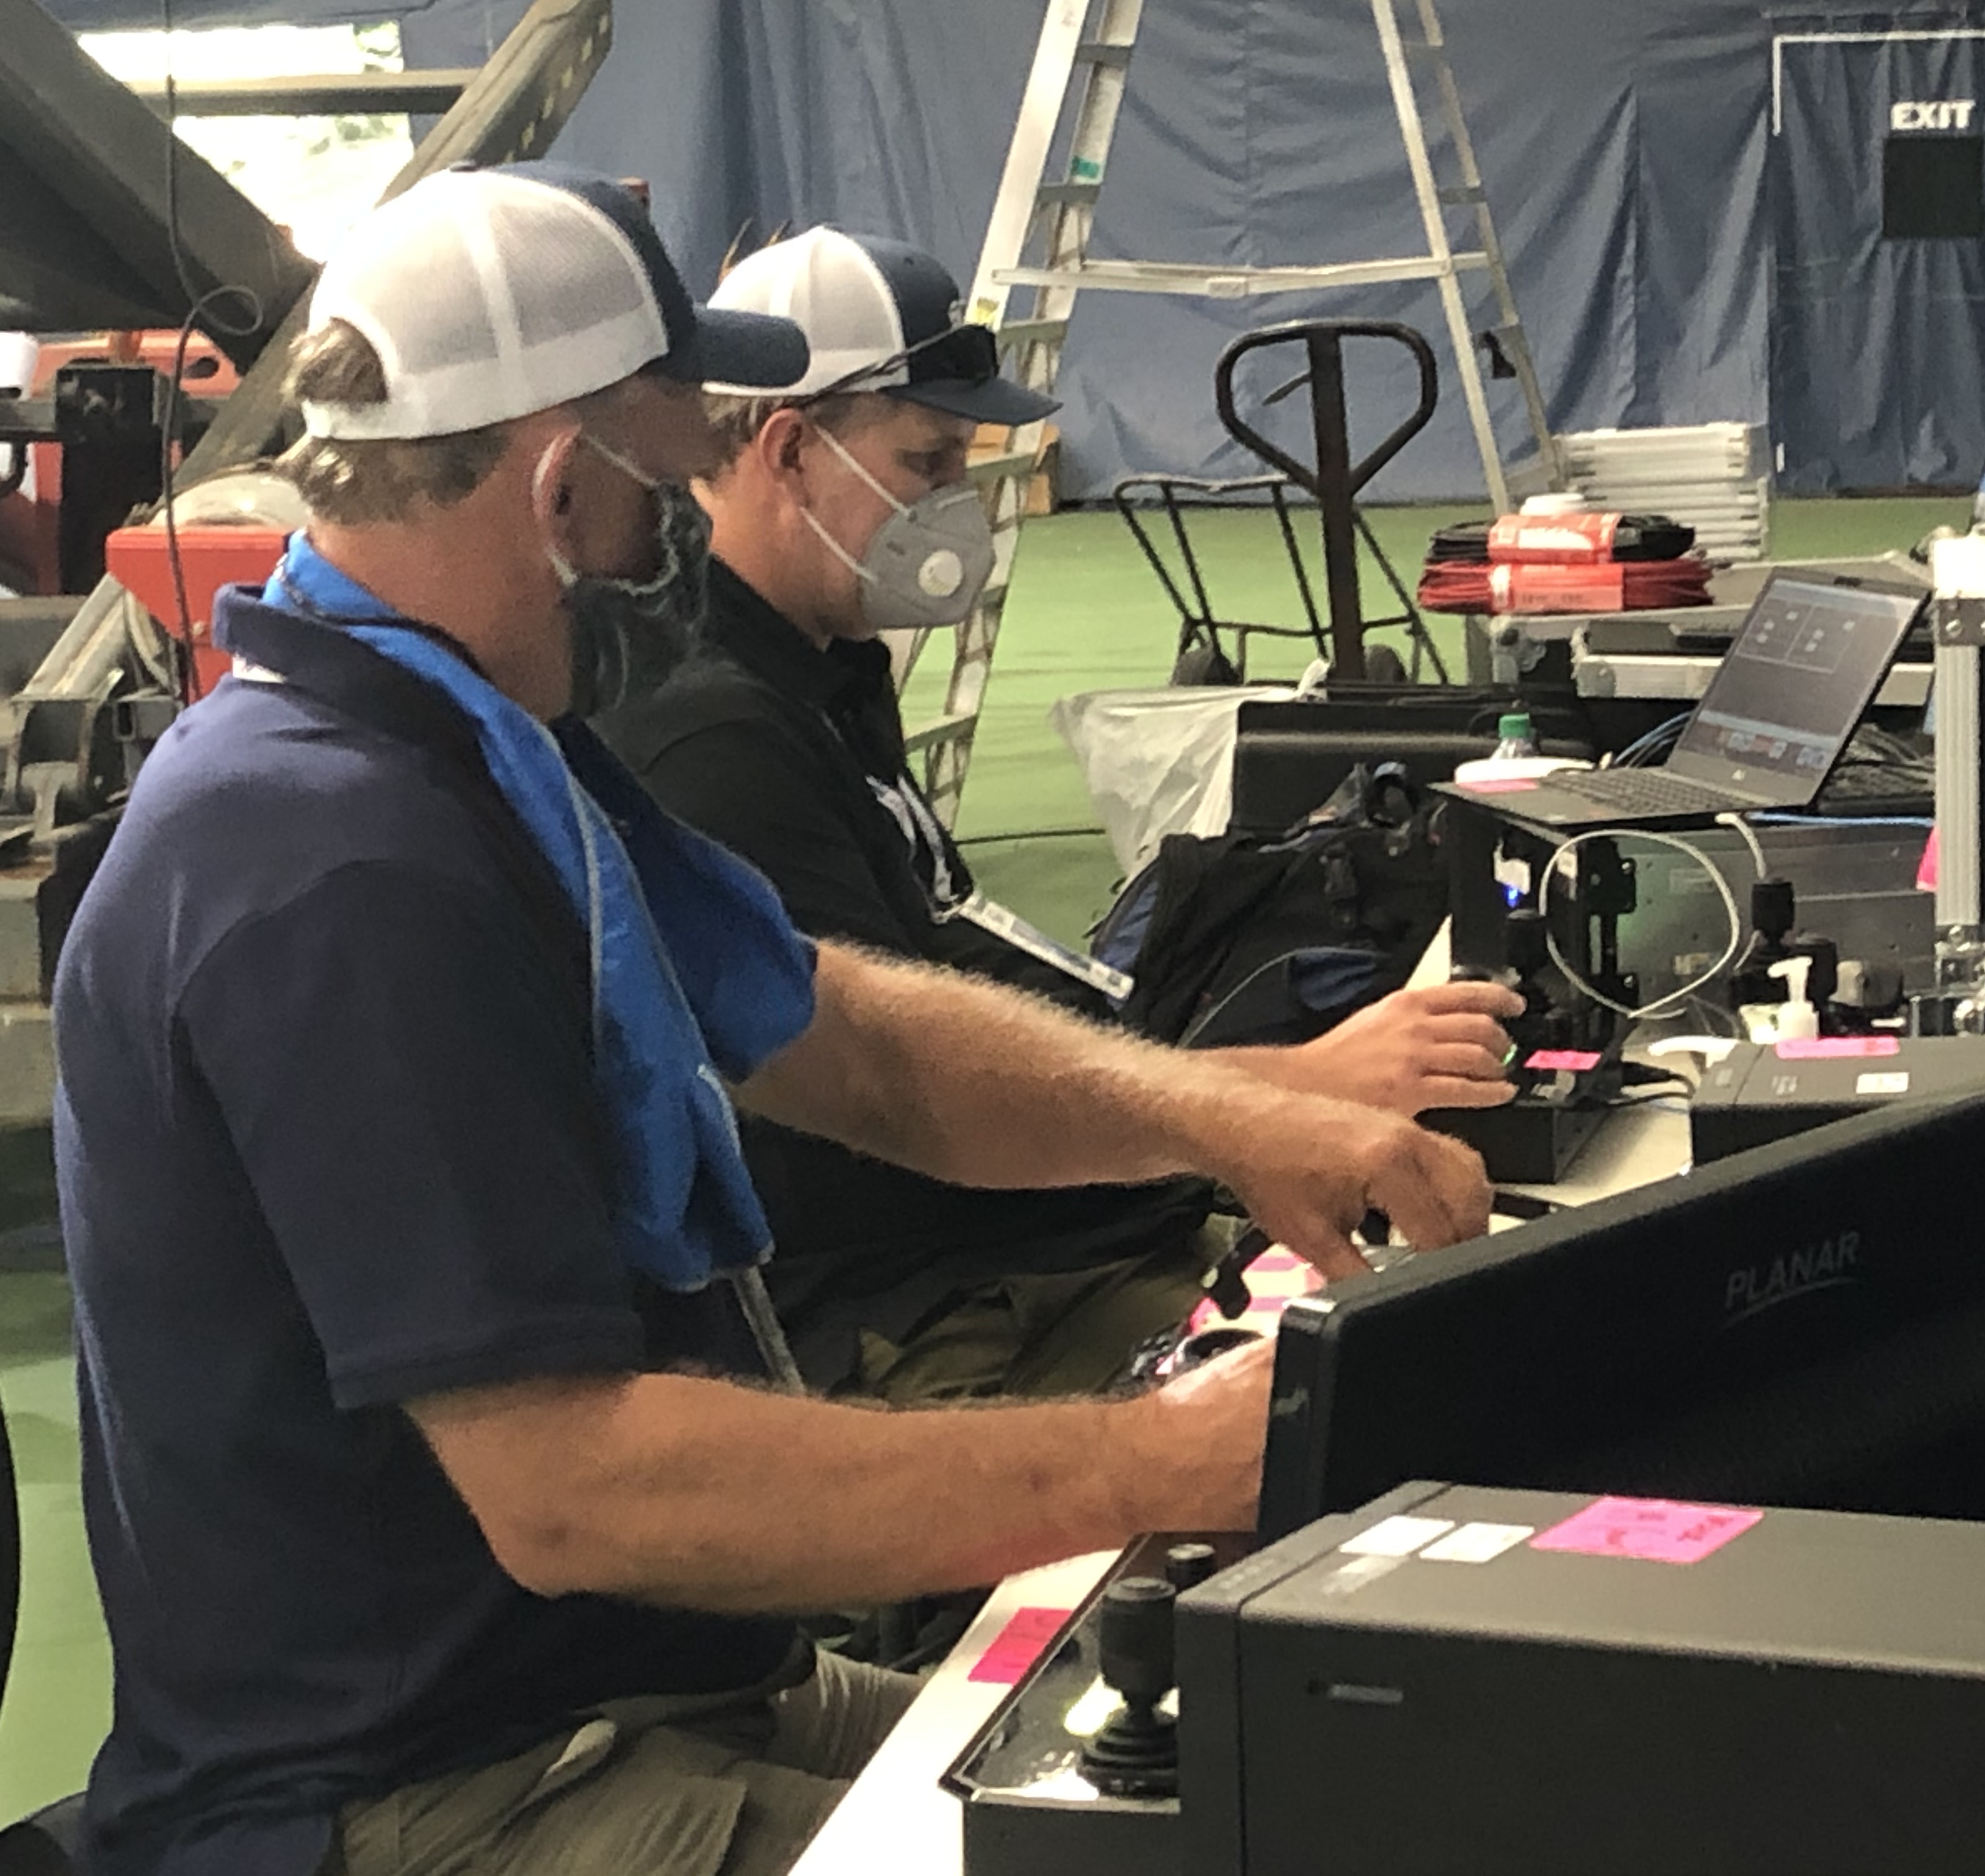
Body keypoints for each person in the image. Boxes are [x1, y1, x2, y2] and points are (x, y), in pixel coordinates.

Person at [55, 164, 1494, 1876]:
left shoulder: (472, 751)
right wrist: (1152, 1463)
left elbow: (855, 1041)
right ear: (558, 483)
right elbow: (579, 1489)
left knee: (1287, 1808)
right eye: (671, 487)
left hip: (645, 1692)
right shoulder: (330, 865)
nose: (680, 545)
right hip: (437, 1796)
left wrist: (1228, 1119)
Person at [598, 227, 1525, 1398]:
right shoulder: (716, 737)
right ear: (788, 448)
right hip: (913, 1316)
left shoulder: (814, 666)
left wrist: (1246, 1099)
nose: (958, 507)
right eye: (929, 464)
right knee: (1397, 1394)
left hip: (1012, 1252)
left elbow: (943, 984)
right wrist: (1275, 1096)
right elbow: (897, 1114)